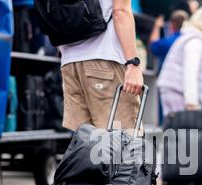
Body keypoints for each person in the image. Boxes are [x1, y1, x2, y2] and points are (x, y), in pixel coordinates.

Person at [59, 0, 144, 131]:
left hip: (70, 62)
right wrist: (133, 64)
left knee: (84, 144)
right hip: (105, 60)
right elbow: (120, 11)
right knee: (121, 142)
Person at [157, 7, 202, 116]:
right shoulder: (195, 42)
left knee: (175, 130)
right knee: (184, 131)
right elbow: (190, 72)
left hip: (174, 92)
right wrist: (191, 102)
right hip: (179, 94)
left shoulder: (190, 38)